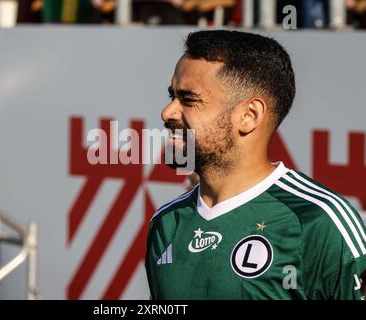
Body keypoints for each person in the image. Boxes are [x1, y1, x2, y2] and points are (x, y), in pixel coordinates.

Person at [145, 30, 366, 300]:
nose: (167, 113)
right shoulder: (167, 222)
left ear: (249, 116)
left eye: (189, 100)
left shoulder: (318, 220)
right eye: (172, 97)